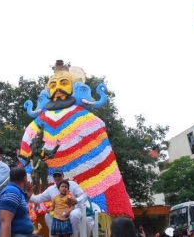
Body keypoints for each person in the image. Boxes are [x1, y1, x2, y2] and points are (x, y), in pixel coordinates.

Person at [20, 60, 133, 217]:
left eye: (64, 83)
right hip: (44, 199)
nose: (58, 88)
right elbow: (26, 159)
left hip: (87, 197)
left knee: (90, 210)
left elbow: (101, 156)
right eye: (53, 86)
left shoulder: (89, 119)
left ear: (74, 88)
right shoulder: (34, 126)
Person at [29, 168, 87, 237]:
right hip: (58, 212)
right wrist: (27, 195)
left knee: (74, 214)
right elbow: (38, 199)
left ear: (63, 176)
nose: (57, 177)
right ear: (53, 178)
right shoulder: (51, 189)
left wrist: (77, 200)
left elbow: (84, 195)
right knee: (47, 216)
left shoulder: (72, 184)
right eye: (55, 176)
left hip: (74, 209)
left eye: (59, 175)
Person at [0, 167, 33, 237]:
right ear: (25, 179)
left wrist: (27, 198)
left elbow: (17, 212)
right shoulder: (12, 191)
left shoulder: (15, 191)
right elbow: (4, 221)